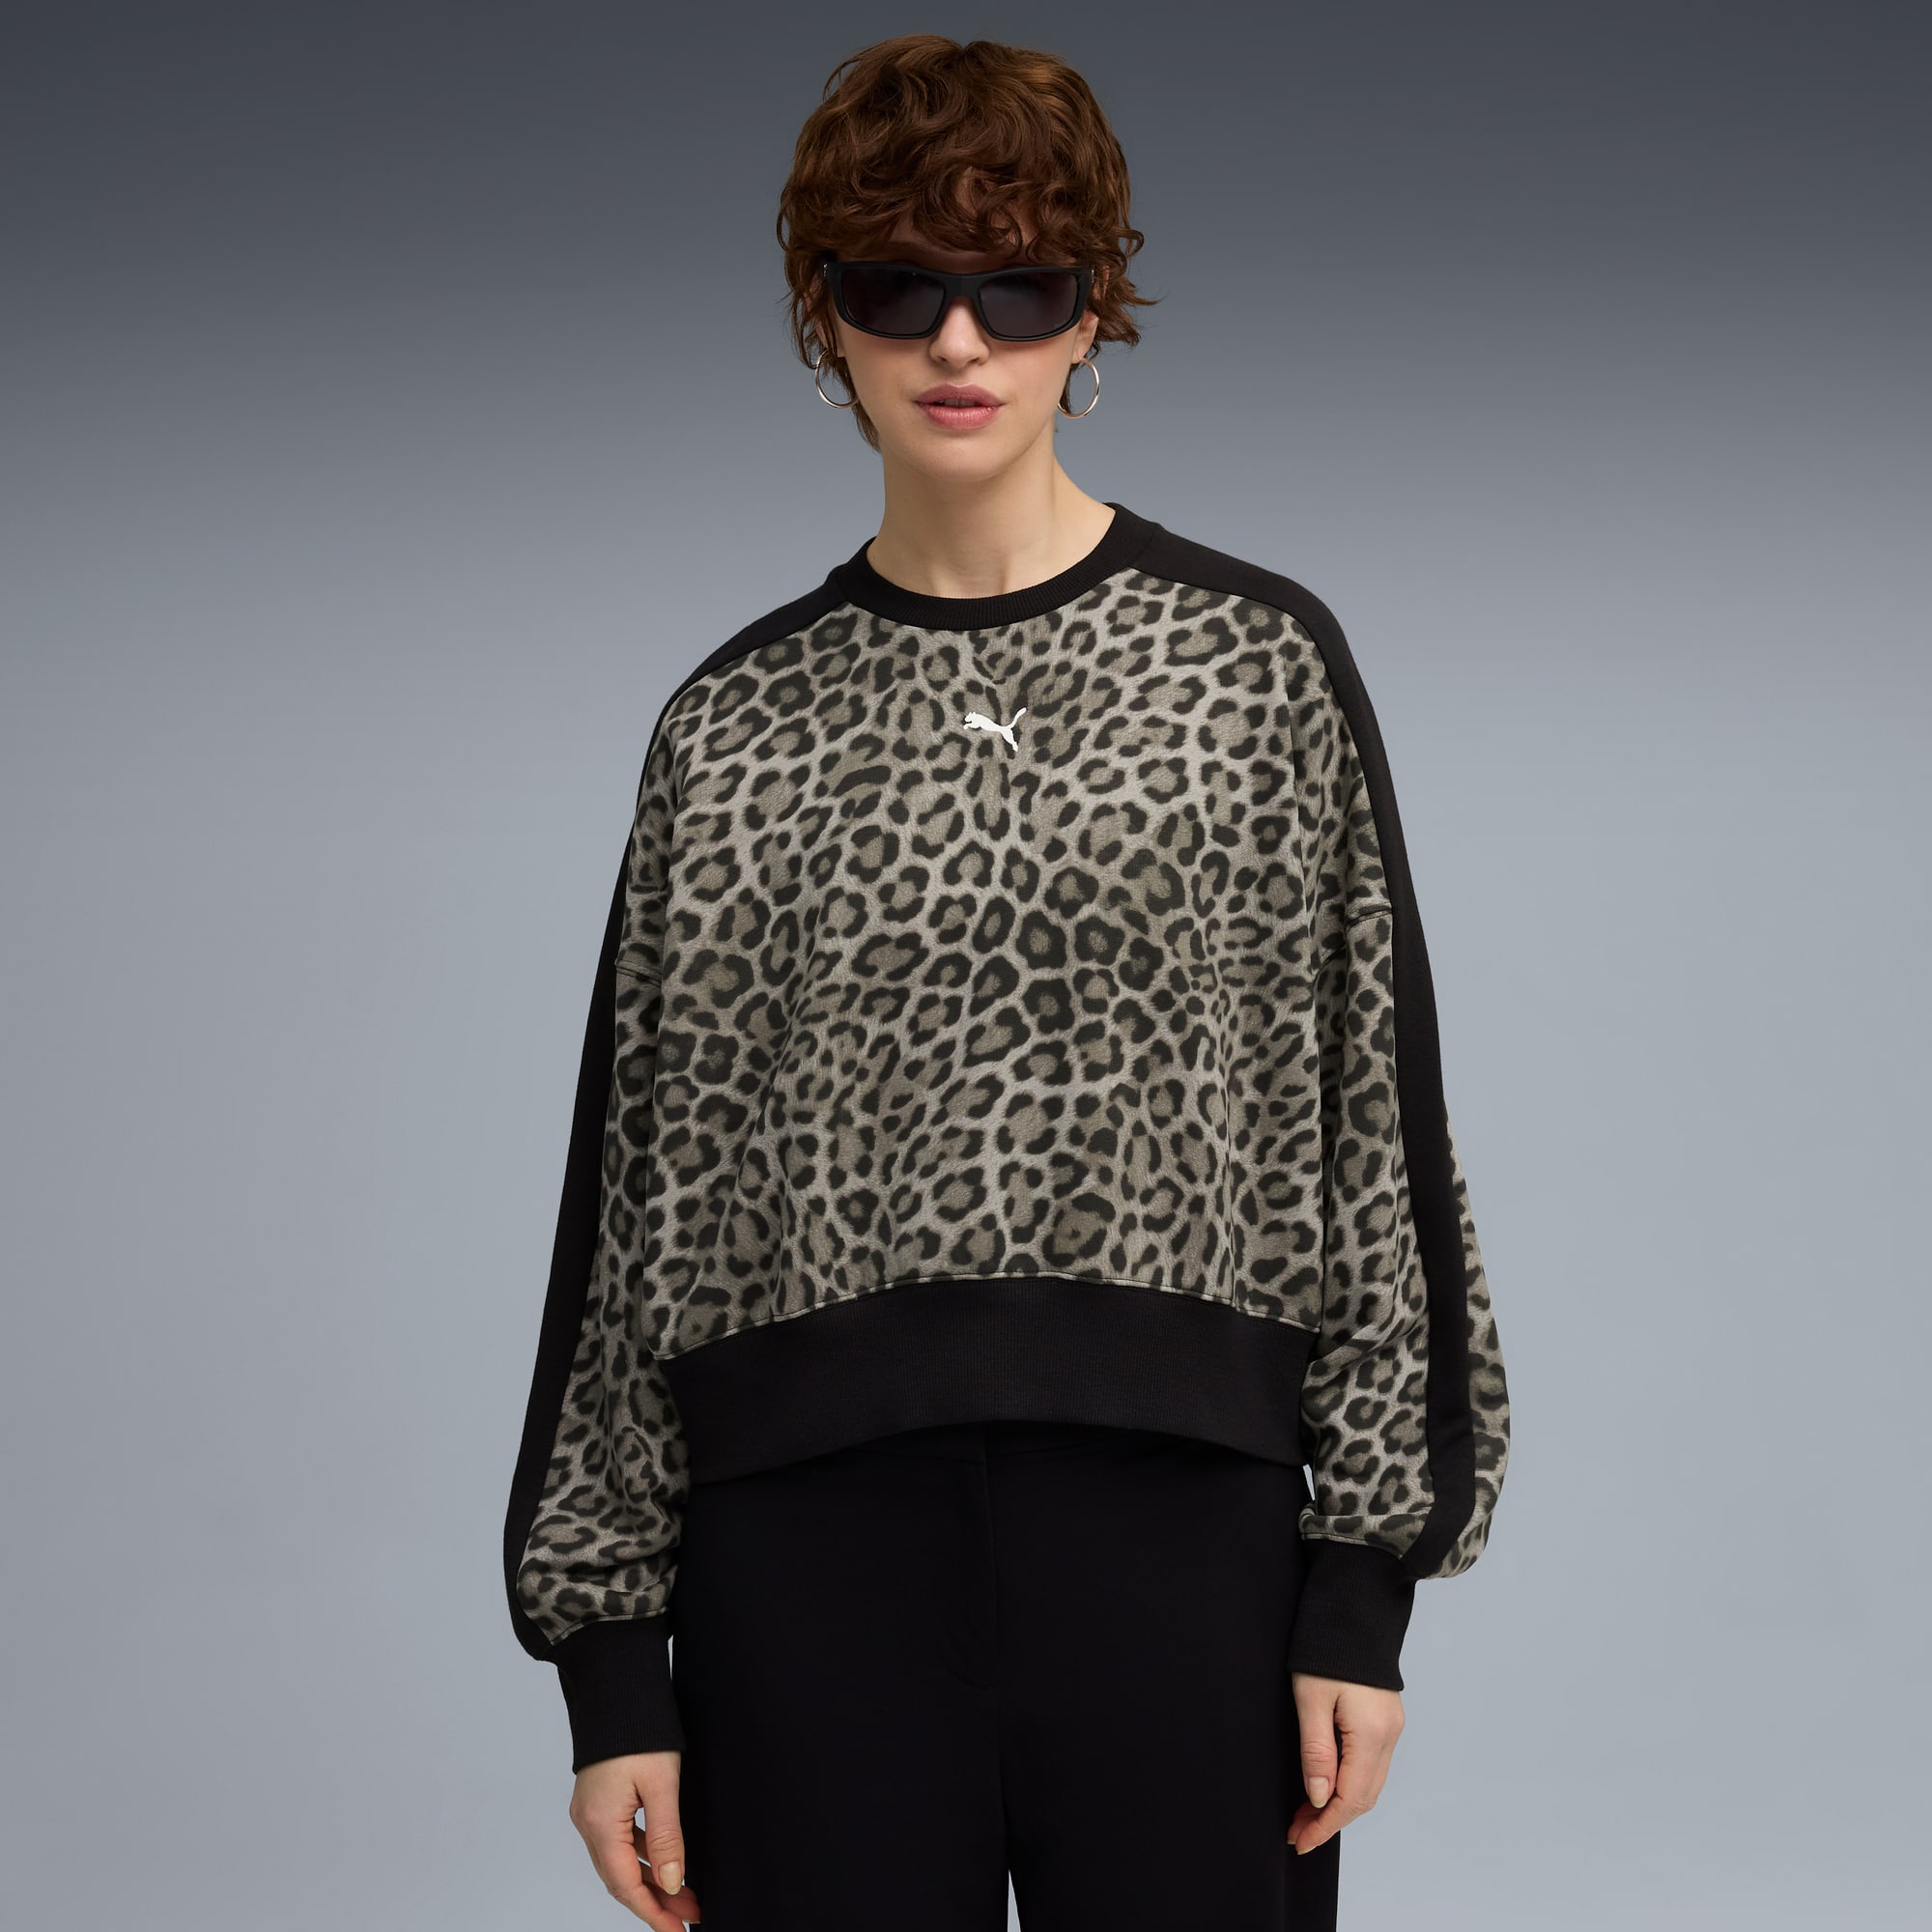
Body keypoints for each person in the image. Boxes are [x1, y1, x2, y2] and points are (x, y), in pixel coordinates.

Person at [502, 32, 1510, 1932]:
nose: (958, 340)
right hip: (803, 1562)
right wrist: (612, 1669)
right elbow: (639, 1206)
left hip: (1186, 1543)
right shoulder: (733, 724)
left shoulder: (1255, 667)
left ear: (1089, 314)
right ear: (826, 318)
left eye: (1018, 285)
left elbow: (1373, 1133)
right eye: (897, 286)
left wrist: (1361, 1587)